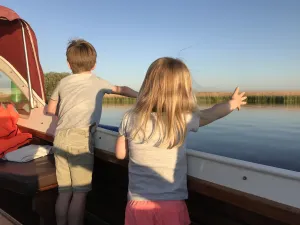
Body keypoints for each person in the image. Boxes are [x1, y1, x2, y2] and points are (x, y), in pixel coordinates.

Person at [115, 57, 247, 225]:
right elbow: (212, 113)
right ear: (183, 90)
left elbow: (120, 154)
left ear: (148, 85)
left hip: (137, 204)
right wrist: (233, 103)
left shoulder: (129, 118)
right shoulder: (182, 119)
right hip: (172, 205)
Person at [47, 39, 138, 225]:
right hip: (81, 139)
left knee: (64, 192)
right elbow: (121, 89)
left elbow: (50, 109)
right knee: (79, 194)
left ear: (68, 64)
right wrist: (142, 95)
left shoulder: (63, 82)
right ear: (94, 64)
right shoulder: (97, 82)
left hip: (60, 138)